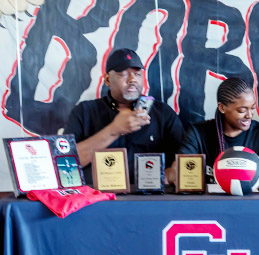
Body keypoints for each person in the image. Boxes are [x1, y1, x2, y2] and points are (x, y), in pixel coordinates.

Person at [64, 48, 184, 184]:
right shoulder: (84, 111)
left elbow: (184, 159)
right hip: (97, 199)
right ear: (108, 79)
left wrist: (170, 174)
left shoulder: (162, 113)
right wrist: (113, 130)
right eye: (124, 74)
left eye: (137, 74)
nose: (133, 80)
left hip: (151, 199)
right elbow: (67, 162)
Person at [166, 77, 259, 186]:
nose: (249, 115)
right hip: (208, 202)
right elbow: (179, 167)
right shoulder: (197, 133)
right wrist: (172, 174)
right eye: (242, 110)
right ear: (222, 108)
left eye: (253, 108)